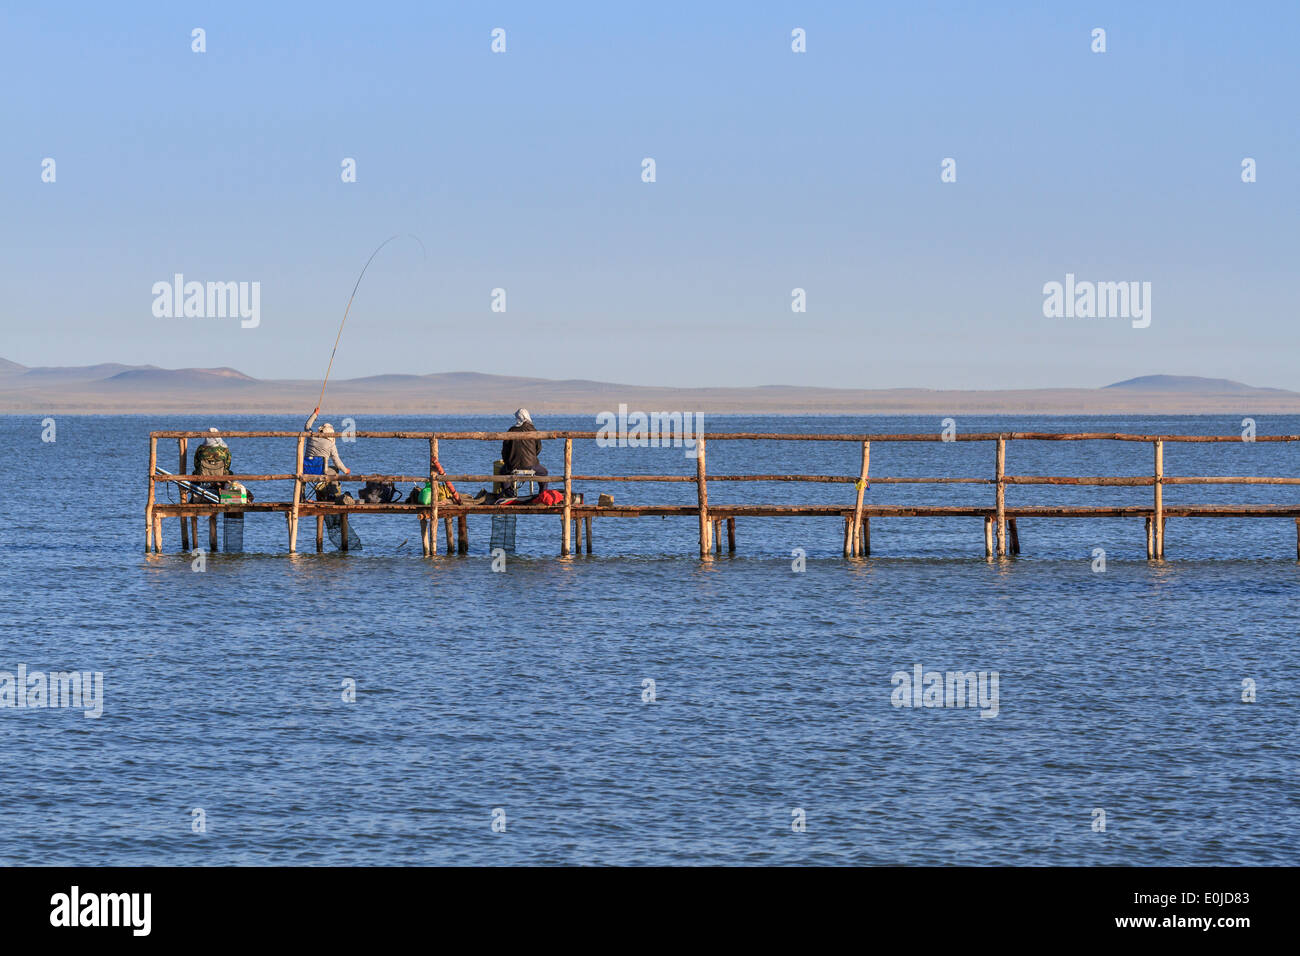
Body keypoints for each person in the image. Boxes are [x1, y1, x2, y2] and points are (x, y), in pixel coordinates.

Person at [304, 407, 350, 501]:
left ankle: (301, 496)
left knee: (307, 472)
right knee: (335, 470)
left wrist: (315, 414)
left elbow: (307, 426)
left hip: (306, 470)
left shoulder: (311, 437)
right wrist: (345, 470)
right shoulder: (331, 444)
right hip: (322, 472)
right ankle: (333, 495)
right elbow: (336, 461)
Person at [500, 407, 547, 497]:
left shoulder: (511, 430)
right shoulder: (533, 430)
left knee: (503, 472)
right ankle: (542, 494)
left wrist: (507, 462)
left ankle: (509, 494)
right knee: (544, 472)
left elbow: (505, 450)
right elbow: (539, 448)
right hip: (531, 464)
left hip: (513, 464)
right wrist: (532, 457)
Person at [193, 426, 232, 492]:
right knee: (230, 473)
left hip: (203, 475)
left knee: (194, 474)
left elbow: (196, 463)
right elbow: (228, 464)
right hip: (221, 475)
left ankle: (194, 495)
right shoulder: (225, 449)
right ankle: (224, 493)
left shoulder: (201, 448)